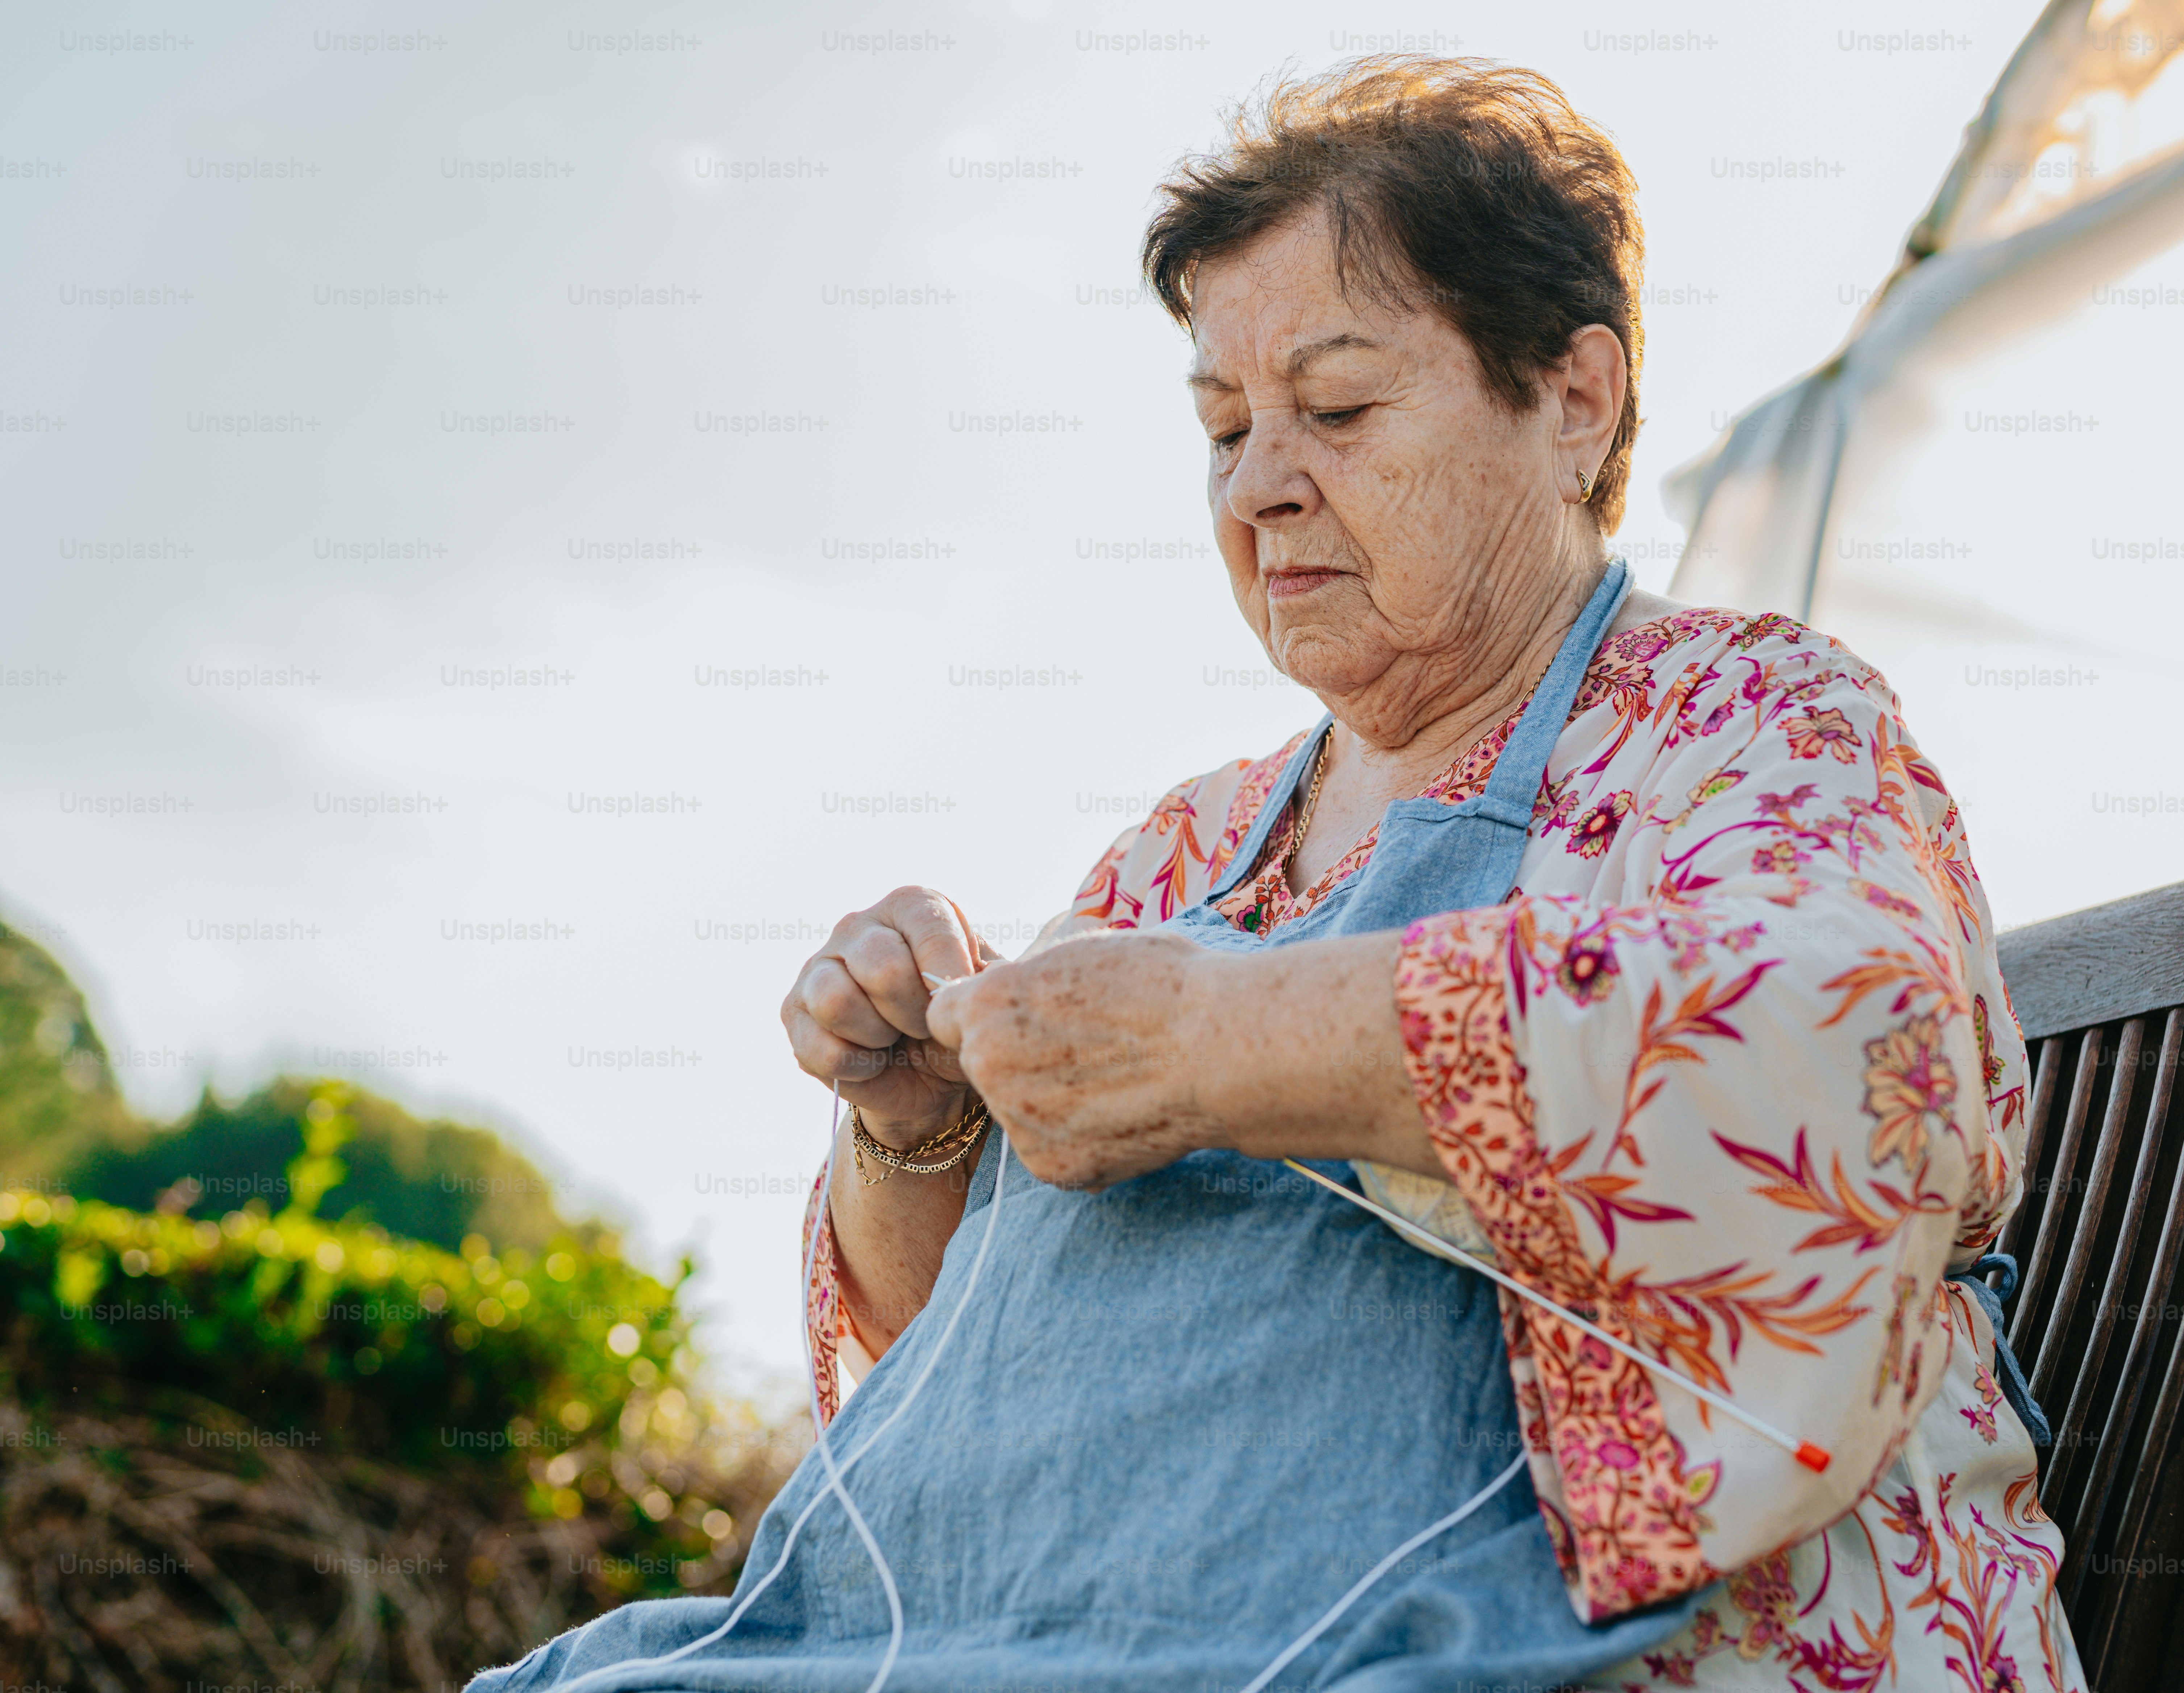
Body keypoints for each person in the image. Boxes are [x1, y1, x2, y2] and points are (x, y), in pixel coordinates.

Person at [472, 55, 2080, 1693]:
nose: (1258, 485)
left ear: (1573, 399)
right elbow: (971, 1361)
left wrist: (1215, 1044)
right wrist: (921, 1125)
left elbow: (1844, 1060)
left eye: (1340, 407)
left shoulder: (1745, 721)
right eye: (1226, 426)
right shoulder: (1184, 845)